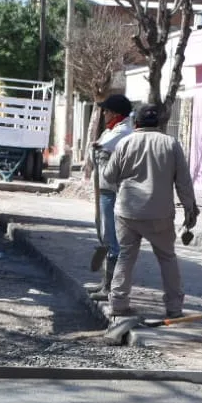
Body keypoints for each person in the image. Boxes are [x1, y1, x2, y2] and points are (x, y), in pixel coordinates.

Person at [104, 102, 199, 320]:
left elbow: (109, 176)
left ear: (135, 122)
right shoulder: (171, 144)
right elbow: (183, 181)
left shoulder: (125, 143)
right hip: (159, 214)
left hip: (127, 212)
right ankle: (174, 308)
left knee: (126, 257)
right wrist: (190, 210)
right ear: (158, 122)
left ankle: (118, 304)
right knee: (167, 257)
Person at [88, 93, 136, 300]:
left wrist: (95, 150)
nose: (104, 114)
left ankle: (110, 288)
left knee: (111, 238)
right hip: (105, 188)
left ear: (115, 113)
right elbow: (94, 152)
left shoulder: (122, 132)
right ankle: (105, 284)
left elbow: (96, 150)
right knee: (105, 235)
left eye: (106, 110)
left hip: (112, 190)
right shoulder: (112, 131)